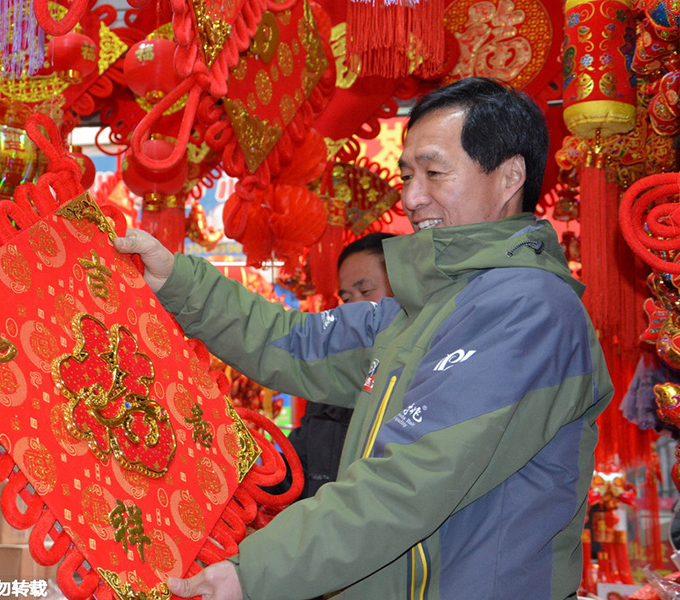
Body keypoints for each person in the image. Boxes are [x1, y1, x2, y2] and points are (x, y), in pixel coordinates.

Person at [114, 76, 613, 600]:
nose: (413, 198)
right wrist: (176, 280)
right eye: (407, 176)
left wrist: (255, 571)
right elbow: (291, 340)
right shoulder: (417, 310)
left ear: (510, 175)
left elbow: (410, 480)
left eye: (435, 173)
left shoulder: (527, 309)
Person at [289, 232, 397, 501]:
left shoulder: (417, 380)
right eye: (347, 298)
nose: (354, 308)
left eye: (366, 291)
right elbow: (292, 476)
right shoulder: (329, 391)